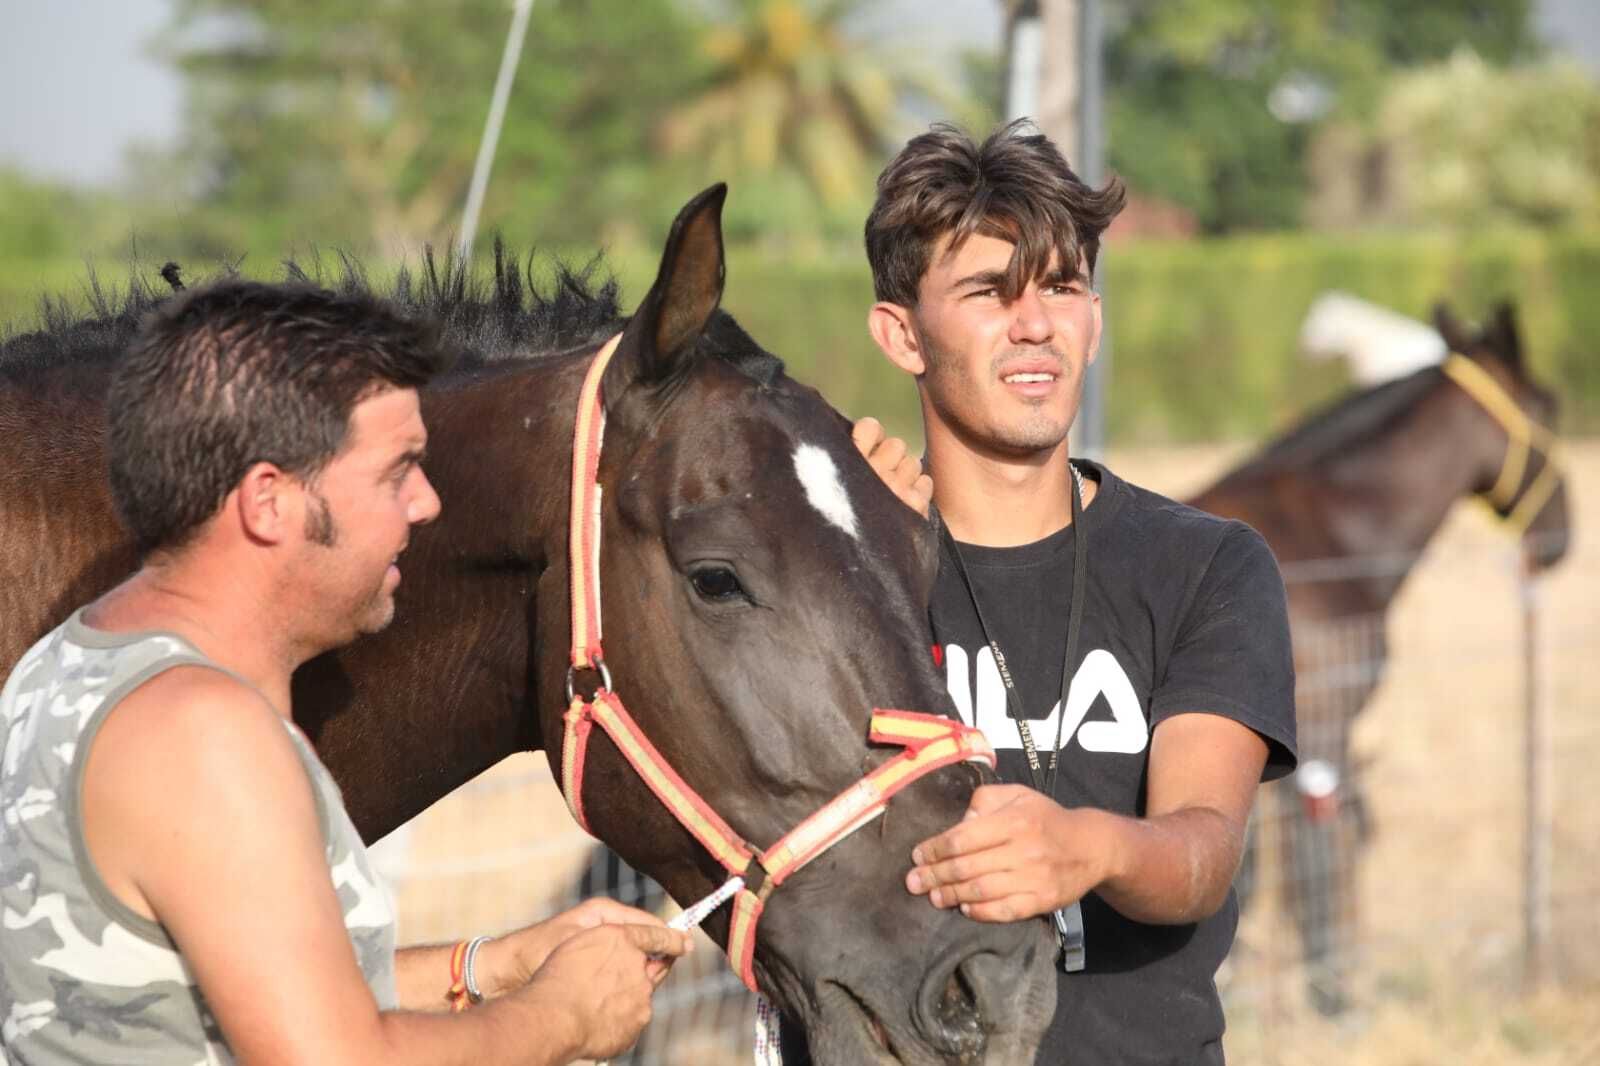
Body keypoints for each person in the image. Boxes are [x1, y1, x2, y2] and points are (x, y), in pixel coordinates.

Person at [0, 280, 691, 1065]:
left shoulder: (79, 656)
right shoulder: (205, 738)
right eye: (397, 470)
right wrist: (562, 1017)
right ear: (270, 502)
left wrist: (488, 967)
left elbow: (239, 986)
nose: (426, 504)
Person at [849, 121, 1298, 1064]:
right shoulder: (841, 572)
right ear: (902, 334)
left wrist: (1089, 847)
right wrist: (860, 558)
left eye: (1062, 287)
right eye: (988, 292)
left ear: (1095, 316)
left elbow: (1204, 851)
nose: (1036, 324)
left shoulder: (1206, 566)